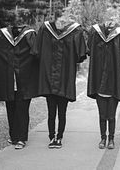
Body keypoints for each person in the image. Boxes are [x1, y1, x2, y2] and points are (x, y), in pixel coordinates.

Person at [32, 20, 86, 149]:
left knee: (61, 113)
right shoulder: (46, 30)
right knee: (52, 113)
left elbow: (81, 55)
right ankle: (52, 137)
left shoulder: (75, 31)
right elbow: (36, 52)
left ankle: (59, 137)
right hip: (55, 81)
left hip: (62, 81)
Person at [0, 24, 38, 150]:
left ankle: (21, 138)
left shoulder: (30, 35)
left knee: (22, 109)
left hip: (24, 81)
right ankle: (13, 136)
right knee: (10, 108)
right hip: (8, 80)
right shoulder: (2, 34)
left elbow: (37, 55)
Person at [87, 22, 120, 149]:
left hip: (112, 84)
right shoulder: (96, 32)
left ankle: (111, 139)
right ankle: (103, 138)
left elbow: (88, 50)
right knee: (102, 115)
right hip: (101, 84)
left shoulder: (119, 33)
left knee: (111, 116)